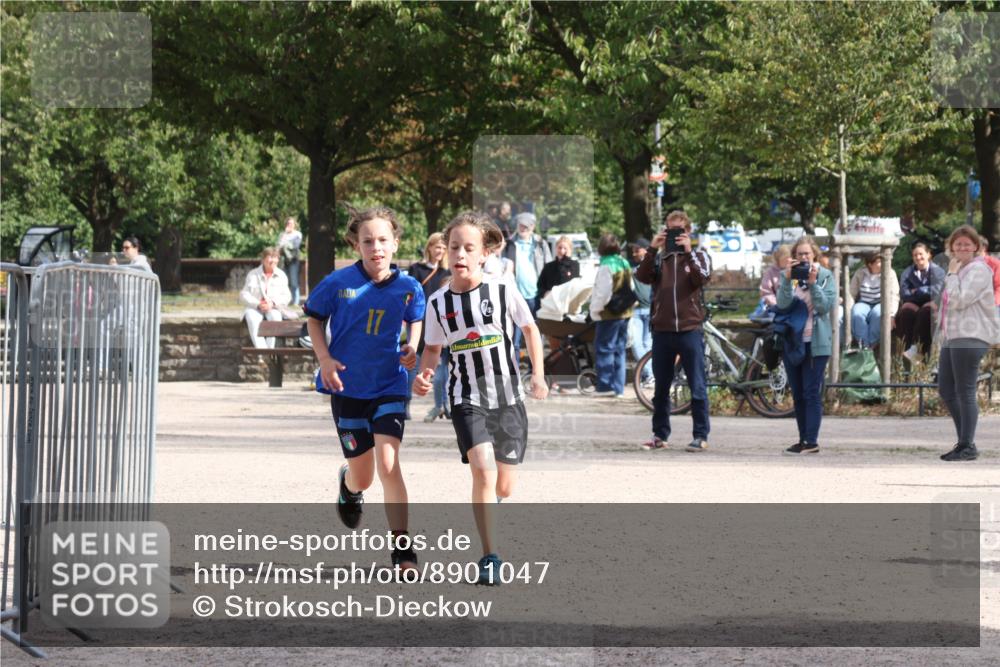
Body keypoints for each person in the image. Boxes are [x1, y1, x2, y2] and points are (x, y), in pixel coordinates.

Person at [413, 211, 547, 585]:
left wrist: (537, 374)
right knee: (483, 471)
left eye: (469, 247)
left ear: (484, 253)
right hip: (465, 397)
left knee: (504, 485)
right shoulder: (437, 302)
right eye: (454, 247)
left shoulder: (503, 289)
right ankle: (490, 556)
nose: (460, 254)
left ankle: (492, 503)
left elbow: (530, 330)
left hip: (507, 397)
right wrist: (424, 378)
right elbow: (432, 352)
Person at [303, 205, 425, 570]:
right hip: (347, 389)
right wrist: (324, 359)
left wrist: (412, 347)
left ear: (396, 243)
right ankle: (349, 486)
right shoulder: (337, 283)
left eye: (383, 240)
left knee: (389, 464)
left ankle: (402, 549)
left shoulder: (408, 286)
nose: (377, 247)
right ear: (356, 245)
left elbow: (415, 317)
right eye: (368, 241)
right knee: (365, 476)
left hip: (389, 384)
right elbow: (313, 318)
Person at [634, 210, 712, 452]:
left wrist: (688, 252)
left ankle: (700, 435)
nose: (674, 236)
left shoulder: (700, 256)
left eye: (679, 231)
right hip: (663, 330)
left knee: (697, 385)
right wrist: (653, 249)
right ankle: (660, 435)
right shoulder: (660, 258)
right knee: (661, 388)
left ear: (688, 232)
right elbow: (642, 277)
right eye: (670, 231)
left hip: (689, 329)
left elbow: (702, 278)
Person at [936, 225, 1000, 462]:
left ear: (976, 247)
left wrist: (951, 274)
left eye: (967, 244)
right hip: (953, 336)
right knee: (946, 389)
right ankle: (966, 441)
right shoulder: (960, 270)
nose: (962, 247)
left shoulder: (978, 270)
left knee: (965, 391)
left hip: (971, 335)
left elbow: (959, 300)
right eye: (958, 243)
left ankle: (966, 444)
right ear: (951, 246)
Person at [777, 236, 836, 455]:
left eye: (807, 254)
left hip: (816, 343)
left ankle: (812, 441)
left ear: (814, 256)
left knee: (811, 392)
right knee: (798, 393)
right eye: (799, 254)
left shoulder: (825, 276)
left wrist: (812, 285)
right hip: (794, 343)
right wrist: (786, 279)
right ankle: (802, 439)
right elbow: (782, 305)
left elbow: (824, 306)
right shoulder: (790, 278)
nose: (803, 258)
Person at [405, 233, 453, 423]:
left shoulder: (448, 272)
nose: (440, 251)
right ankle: (405, 404)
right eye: (437, 247)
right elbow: (409, 296)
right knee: (413, 364)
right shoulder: (417, 269)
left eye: (443, 247)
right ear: (429, 248)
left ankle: (442, 404)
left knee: (442, 367)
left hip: (443, 322)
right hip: (419, 321)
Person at [589, 233, 634, 398]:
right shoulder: (624, 262)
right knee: (620, 350)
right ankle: (619, 388)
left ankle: (605, 386)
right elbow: (632, 287)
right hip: (625, 313)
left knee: (604, 348)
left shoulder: (606, 266)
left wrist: (594, 311)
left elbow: (603, 293)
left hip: (609, 314)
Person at [503, 212, 551, 350]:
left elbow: (548, 267)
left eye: (526, 226)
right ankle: (515, 370)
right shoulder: (510, 244)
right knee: (515, 340)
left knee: (536, 337)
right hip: (516, 296)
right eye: (521, 225)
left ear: (533, 227)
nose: (523, 228)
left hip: (536, 296)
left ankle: (536, 370)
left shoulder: (540, 244)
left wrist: (548, 289)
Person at [896, 242, 945, 362]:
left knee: (926, 311)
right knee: (906, 311)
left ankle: (918, 350)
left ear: (929, 254)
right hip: (914, 303)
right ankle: (905, 350)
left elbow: (937, 291)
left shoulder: (938, 271)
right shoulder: (907, 272)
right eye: (915, 255)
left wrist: (917, 290)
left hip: (933, 304)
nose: (918, 257)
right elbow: (904, 293)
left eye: (921, 254)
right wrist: (923, 292)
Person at [239, 247, 292, 348]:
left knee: (276, 318)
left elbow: (287, 296)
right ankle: (262, 352)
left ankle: (269, 351)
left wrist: (272, 303)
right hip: (256, 307)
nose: (274, 260)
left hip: (273, 307)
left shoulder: (282, 275)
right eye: (271, 257)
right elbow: (244, 294)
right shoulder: (253, 274)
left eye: (276, 257)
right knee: (251, 317)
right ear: (263, 259)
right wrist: (258, 304)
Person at [848, 252, 899, 349]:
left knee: (878, 314)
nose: (882, 264)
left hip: (880, 302)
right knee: (856, 313)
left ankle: (872, 344)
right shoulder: (860, 272)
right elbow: (851, 293)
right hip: (864, 302)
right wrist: (849, 308)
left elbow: (894, 295)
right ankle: (863, 344)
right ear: (870, 264)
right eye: (879, 262)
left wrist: (892, 314)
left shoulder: (890, 273)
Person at [628, 238, 653, 384]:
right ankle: (649, 374)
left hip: (651, 310)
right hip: (636, 311)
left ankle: (648, 375)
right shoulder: (631, 267)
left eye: (637, 250)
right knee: (636, 345)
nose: (634, 253)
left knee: (647, 345)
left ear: (645, 250)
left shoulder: (653, 264)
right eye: (633, 251)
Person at [277, 217, 303, 305]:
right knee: (284, 281)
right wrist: (285, 236)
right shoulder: (282, 234)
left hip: (293, 260)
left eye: (291, 223)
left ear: (294, 225)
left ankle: (296, 301)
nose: (289, 225)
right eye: (288, 223)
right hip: (283, 260)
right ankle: (286, 301)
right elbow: (278, 246)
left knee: (294, 281)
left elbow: (295, 246)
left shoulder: (297, 234)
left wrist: (285, 244)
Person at [978, 234, 1000, 316]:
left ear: (984, 247)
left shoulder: (995, 264)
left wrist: (993, 304)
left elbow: (998, 286)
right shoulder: (966, 263)